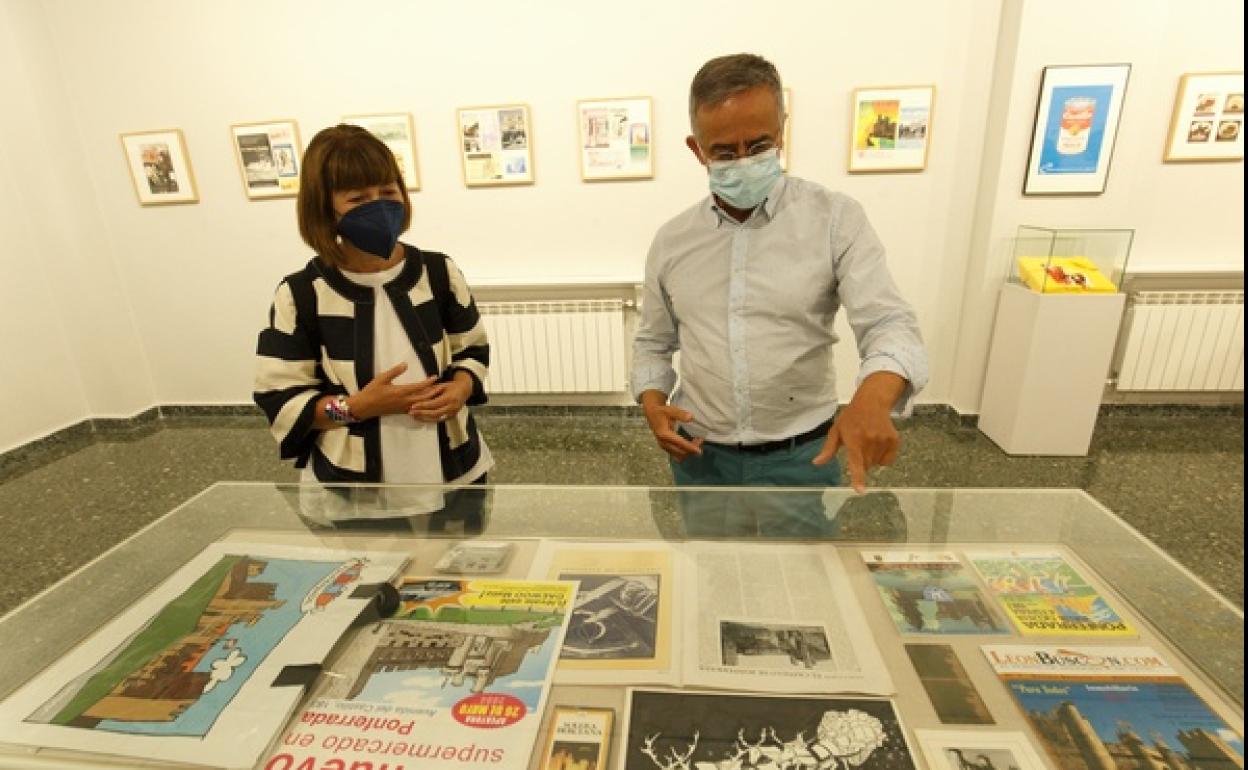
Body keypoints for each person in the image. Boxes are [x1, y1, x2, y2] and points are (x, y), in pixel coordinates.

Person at [632, 53, 928, 536]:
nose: (744, 161)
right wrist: (651, 402)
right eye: (725, 152)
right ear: (696, 149)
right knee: (712, 580)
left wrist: (873, 397)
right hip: (700, 458)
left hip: (803, 456)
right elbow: (652, 342)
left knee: (805, 588)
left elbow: (889, 323)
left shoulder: (834, 219)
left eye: (760, 144)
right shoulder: (672, 241)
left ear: (782, 132)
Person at [253, 125, 492, 527]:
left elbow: (472, 348)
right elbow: (280, 395)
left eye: (387, 191)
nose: (379, 206)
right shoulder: (301, 294)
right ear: (324, 208)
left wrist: (462, 386)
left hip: (453, 466)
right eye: (358, 198)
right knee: (372, 582)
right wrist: (355, 408)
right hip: (355, 488)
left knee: (456, 580)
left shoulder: (437, 272)